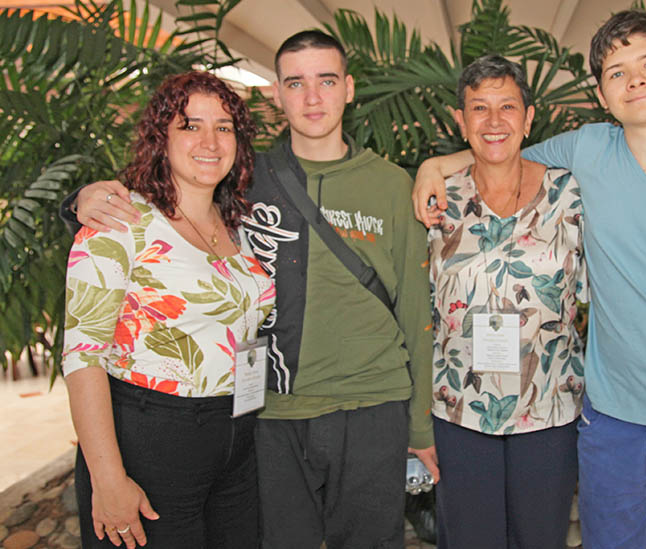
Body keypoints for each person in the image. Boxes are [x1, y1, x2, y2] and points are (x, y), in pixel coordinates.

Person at [413, 10, 646, 549]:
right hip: (612, 424)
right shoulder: (587, 152)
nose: (634, 80)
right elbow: (497, 148)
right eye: (616, 72)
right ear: (603, 96)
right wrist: (432, 166)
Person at [62, 31, 436, 548]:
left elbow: (418, 306)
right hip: (264, 418)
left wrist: (421, 427)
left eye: (326, 81)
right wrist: (80, 198)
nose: (312, 97)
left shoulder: (390, 183)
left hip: (335, 413)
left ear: (349, 89)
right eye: (295, 83)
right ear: (276, 93)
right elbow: (87, 342)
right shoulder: (245, 178)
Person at [62, 71, 274, 549]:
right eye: (190, 125)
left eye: (224, 127)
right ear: (161, 136)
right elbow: (82, 357)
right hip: (151, 439)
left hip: (235, 436)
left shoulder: (237, 223)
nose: (210, 141)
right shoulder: (119, 223)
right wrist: (108, 478)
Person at [429, 55, 584, 548]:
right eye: (479, 108)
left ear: (529, 117)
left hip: (550, 407)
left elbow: (591, 294)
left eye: (508, 107)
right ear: (461, 121)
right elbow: (416, 305)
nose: (494, 122)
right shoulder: (437, 200)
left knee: (541, 538)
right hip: (460, 409)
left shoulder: (568, 194)